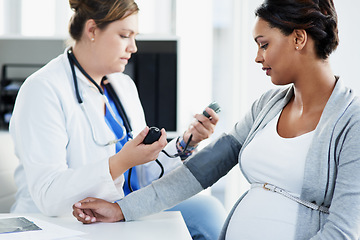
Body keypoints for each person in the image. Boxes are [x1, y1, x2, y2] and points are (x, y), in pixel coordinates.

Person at [72, 0, 360, 239]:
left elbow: (343, 231)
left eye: (264, 44)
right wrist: (123, 209)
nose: (258, 58)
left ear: (299, 39)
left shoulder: (352, 120)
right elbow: (201, 170)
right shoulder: (267, 106)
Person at [9, 0, 226, 239]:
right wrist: (119, 162)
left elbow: (140, 176)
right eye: (125, 35)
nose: (133, 47)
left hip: (122, 211)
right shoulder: (43, 89)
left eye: (135, 37)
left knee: (208, 210)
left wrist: (186, 142)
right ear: (92, 30)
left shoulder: (123, 87)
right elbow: (48, 196)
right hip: (63, 222)